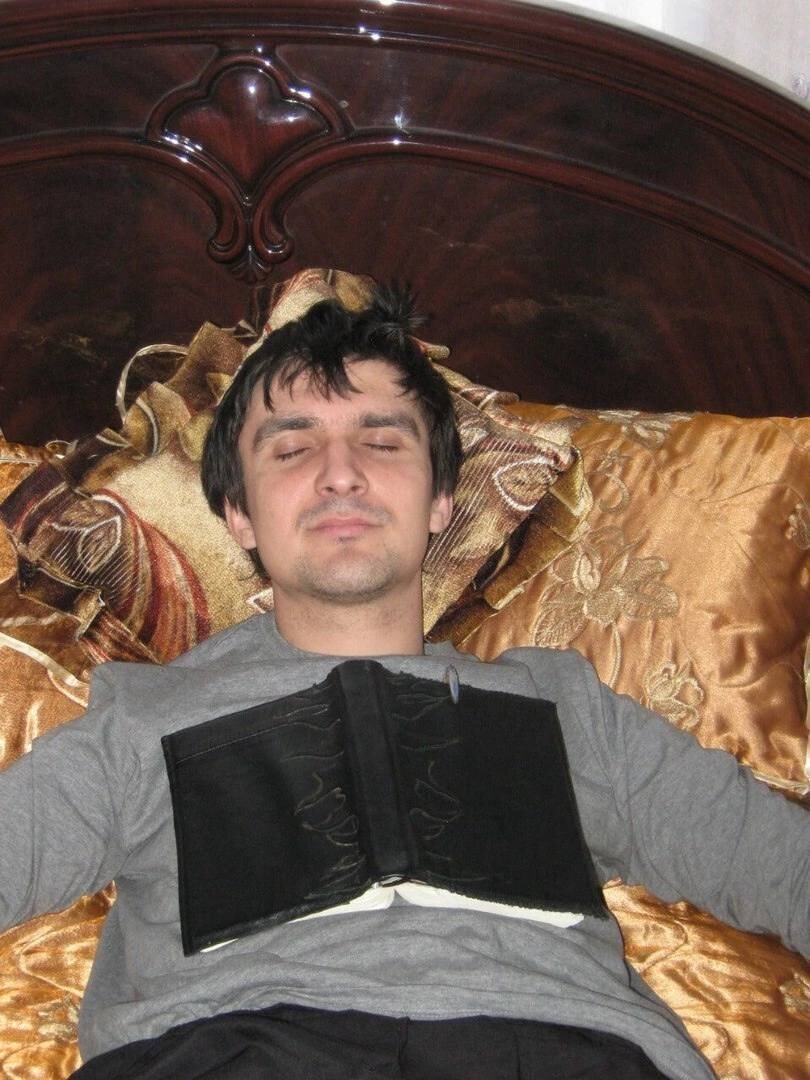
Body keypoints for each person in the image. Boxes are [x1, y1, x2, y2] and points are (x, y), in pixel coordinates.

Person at [0, 282, 807, 1080]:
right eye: (292, 449)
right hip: (232, 1050)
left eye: (383, 443)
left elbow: (781, 866)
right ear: (238, 513)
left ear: (441, 501)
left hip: (557, 1049)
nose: (341, 474)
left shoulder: (565, 710)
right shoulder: (145, 719)